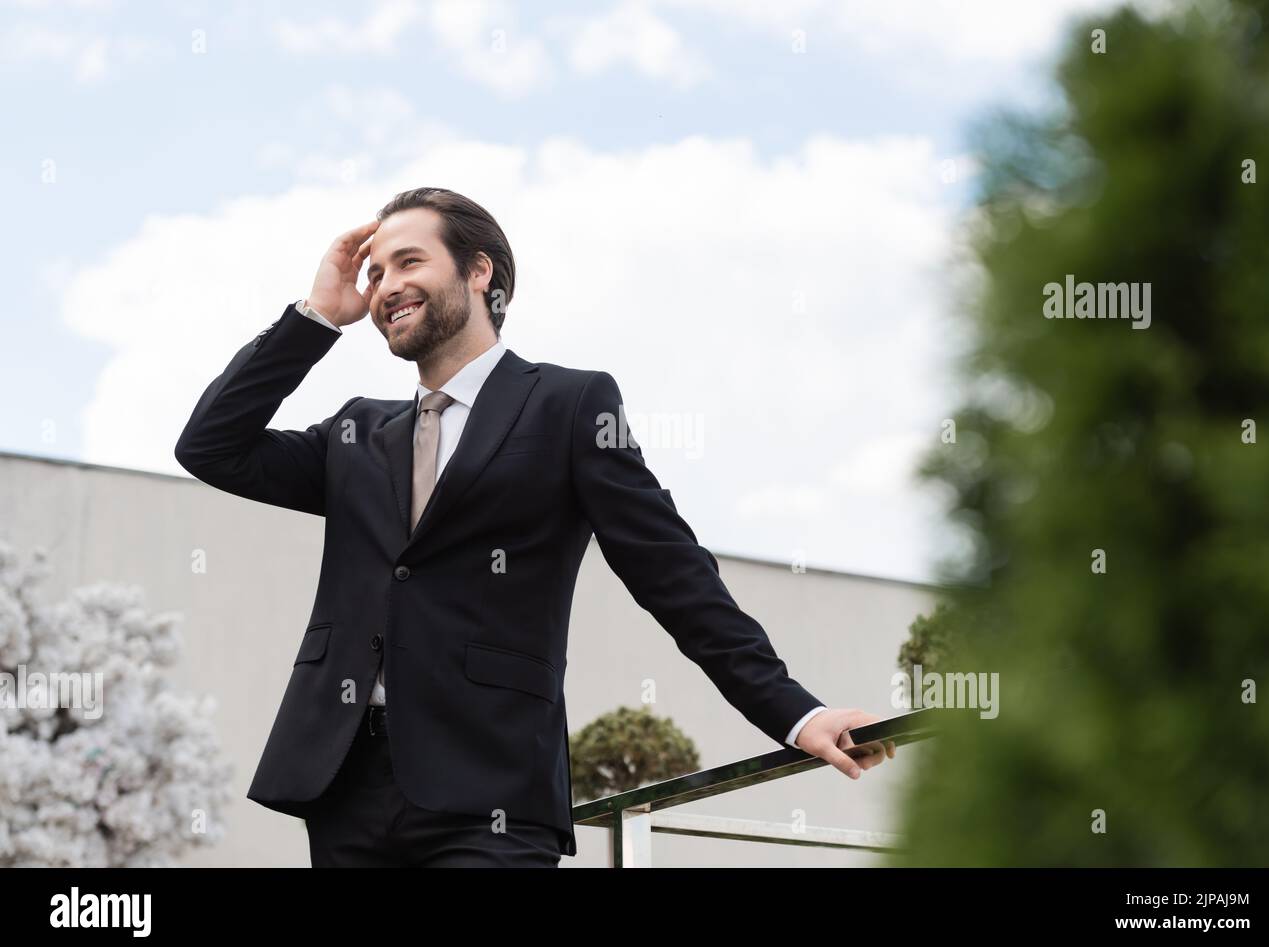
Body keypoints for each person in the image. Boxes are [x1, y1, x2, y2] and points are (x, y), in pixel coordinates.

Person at [174, 187, 895, 867]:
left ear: (479, 270)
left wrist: (796, 713)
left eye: (410, 261)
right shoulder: (355, 432)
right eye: (375, 270)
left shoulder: (570, 405)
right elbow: (210, 444)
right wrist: (315, 316)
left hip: (491, 789)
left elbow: (672, 573)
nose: (386, 284)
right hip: (342, 784)